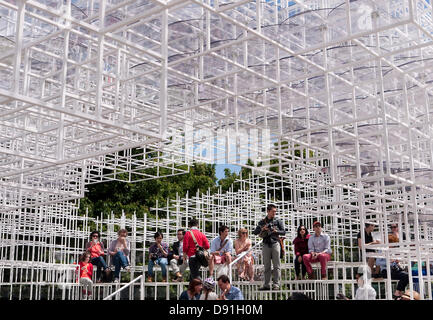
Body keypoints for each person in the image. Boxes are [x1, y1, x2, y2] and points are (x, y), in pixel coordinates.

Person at [253, 204, 286, 290]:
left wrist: (276, 231)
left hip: (275, 243)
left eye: (275, 211)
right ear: (268, 211)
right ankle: (266, 285)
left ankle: (276, 284)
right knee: (267, 266)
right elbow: (255, 232)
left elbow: (284, 232)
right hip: (266, 244)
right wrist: (262, 229)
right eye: (273, 211)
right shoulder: (262, 222)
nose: (274, 213)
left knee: (277, 266)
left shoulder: (278, 221)